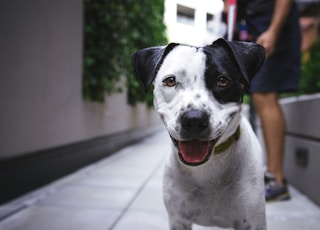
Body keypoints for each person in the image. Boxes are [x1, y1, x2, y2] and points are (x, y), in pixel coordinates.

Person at [225, 0, 301, 201]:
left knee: (264, 94)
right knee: (242, 92)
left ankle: (276, 180)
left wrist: (273, 31)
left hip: (271, 26)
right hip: (249, 25)